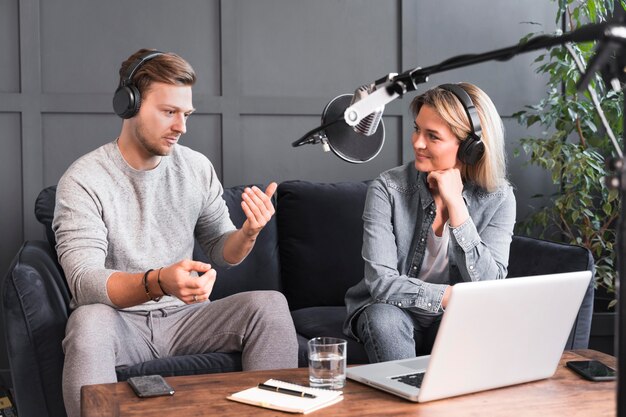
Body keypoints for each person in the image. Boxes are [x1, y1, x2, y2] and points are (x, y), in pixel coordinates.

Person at [53, 48, 298, 417]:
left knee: (269, 306)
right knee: (87, 321)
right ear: (129, 104)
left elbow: (220, 248)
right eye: (169, 112)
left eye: (186, 114)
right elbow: (85, 282)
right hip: (119, 322)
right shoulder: (84, 180)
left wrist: (248, 232)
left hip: (187, 319)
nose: (181, 126)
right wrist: (160, 282)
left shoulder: (196, 167)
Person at [343, 82, 516, 363]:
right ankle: (406, 406)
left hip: (453, 316)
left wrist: (457, 207)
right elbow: (382, 283)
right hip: (392, 308)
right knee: (383, 319)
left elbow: (489, 285)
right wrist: (450, 296)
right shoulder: (388, 188)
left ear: (470, 148)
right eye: (417, 129)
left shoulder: (499, 198)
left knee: (477, 328)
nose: (417, 143)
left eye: (432, 136)